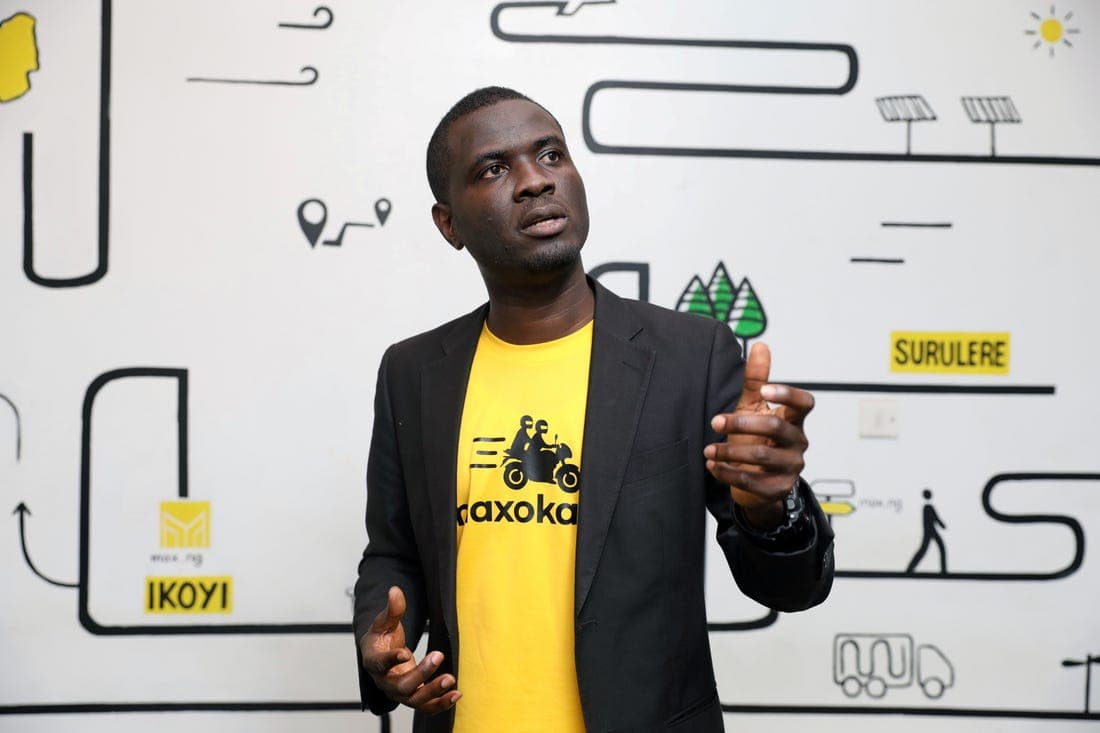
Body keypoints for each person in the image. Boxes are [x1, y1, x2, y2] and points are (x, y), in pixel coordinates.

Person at [353, 86, 835, 733]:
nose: (535, 181)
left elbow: (790, 587)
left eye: (551, 155)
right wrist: (381, 644)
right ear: (449, 224)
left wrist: (770, 508)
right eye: (493, 169)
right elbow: (393, 553)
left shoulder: (689, 357)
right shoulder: (413, 372)